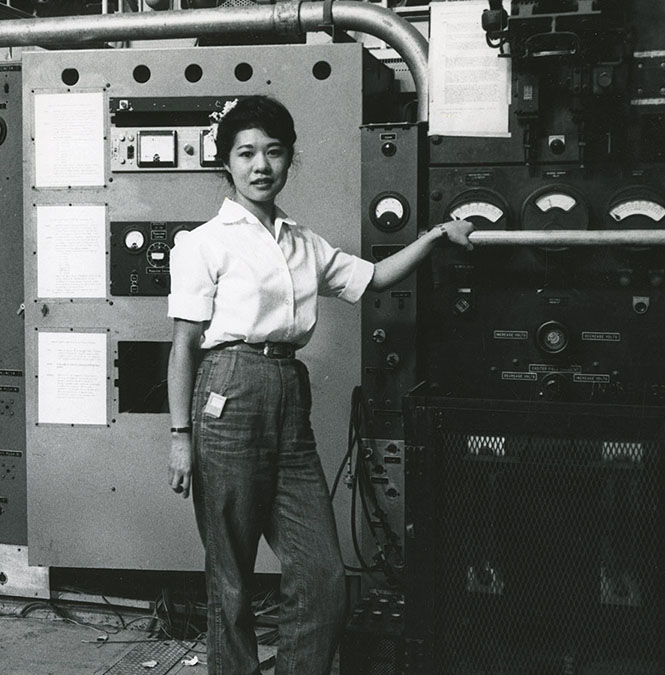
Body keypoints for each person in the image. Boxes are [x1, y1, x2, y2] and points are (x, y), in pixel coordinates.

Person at [166, 95, 473, 675]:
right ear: (225, 164)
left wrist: (435, 235)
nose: (261, 166)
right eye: (247, 153)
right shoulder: (203, 243)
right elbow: (183, 344)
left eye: (274, 153)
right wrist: (180, 434)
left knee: (325, 576)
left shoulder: (303, 242)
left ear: (289, 161)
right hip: (227, 391)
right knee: (229, 573)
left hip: (289, 389)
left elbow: (375, 276)